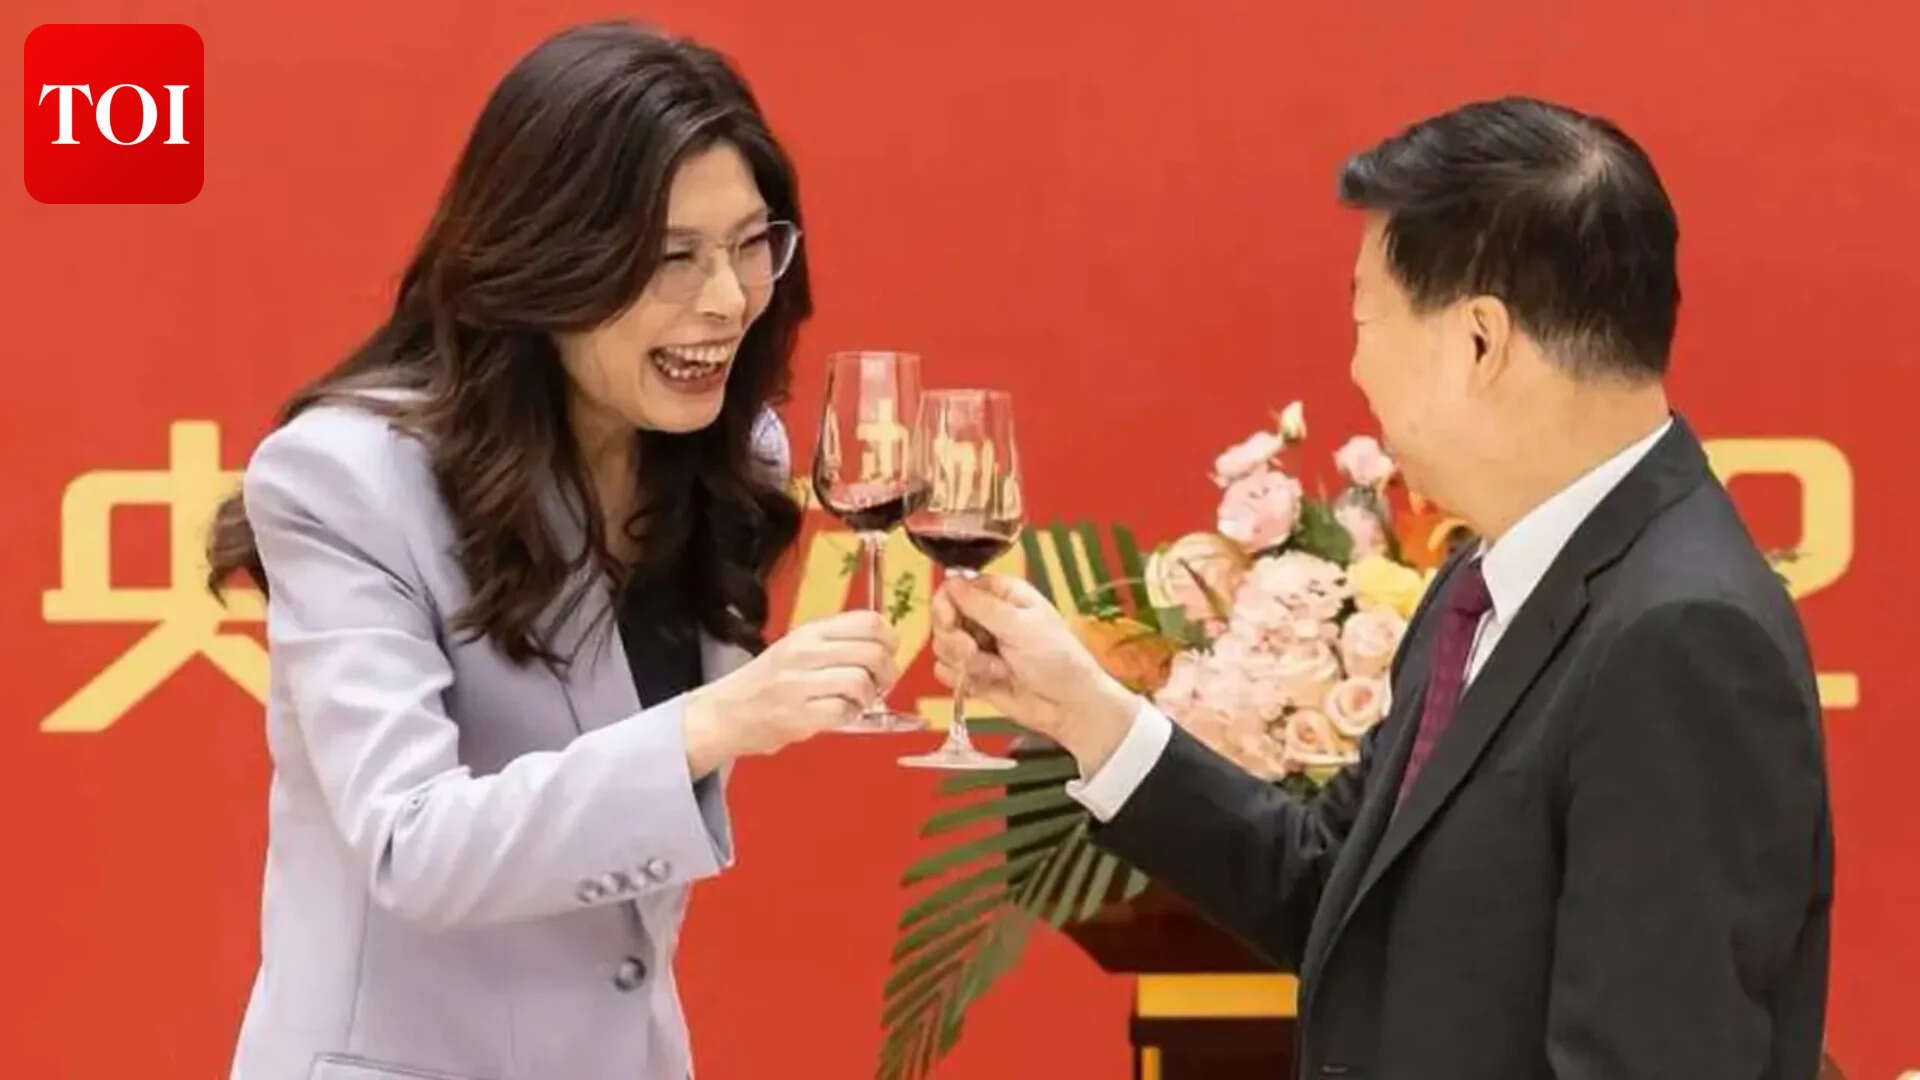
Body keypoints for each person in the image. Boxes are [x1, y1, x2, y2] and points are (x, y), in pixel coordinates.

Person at [931, 97, 1832, 1079]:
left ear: (1481, 342)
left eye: (1367, 320)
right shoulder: (1489, 580)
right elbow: (1333, 885)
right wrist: (1088, 712)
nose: (1356, 364)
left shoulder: (1678, 638)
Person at [206, 22, 897, 1080]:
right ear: (549, 260)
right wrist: (720, 721)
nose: (726, 299)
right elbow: (412, 845)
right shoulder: (345, 477)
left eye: (753, 244)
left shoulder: (724, 454)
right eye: (672, 257)